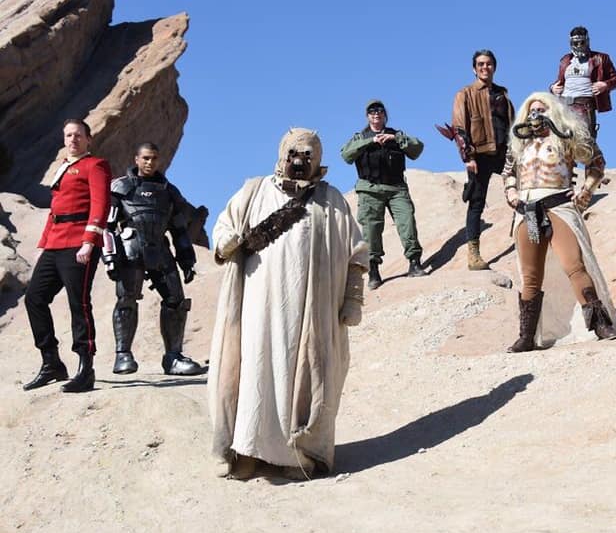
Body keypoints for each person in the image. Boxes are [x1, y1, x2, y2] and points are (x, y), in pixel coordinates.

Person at [209, 128, 368, 481]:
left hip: (311, 311)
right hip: (258, 307)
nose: (299, 161)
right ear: (282, 154)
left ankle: (295, 456)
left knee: (303, 375)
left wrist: (352, 298)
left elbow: (357, 252)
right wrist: (226, 242)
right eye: (294, 154)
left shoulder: (332, 201)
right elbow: (222, 227)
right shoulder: (254, 192)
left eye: (308, 156)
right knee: (256, 369)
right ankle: (247, 452)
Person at [502, 92, 616, 353]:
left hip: (558, 205)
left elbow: (596, 162)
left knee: (574, 265)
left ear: (553, 110)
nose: (536, 114)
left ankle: (599, 323)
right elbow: (508, 172)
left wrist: (586, 190)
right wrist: (511, 193)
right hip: (527, 210)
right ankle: (527, 336)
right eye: (532, 109)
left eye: (542, 108)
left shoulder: (566, 136)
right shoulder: (519, 143)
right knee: (530, 277)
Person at [101, 142, 206, 376]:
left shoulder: (169, 191)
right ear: (136, 159)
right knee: (127, 299)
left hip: (160, 250)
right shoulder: (119, 188)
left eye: (154, 158)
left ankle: (173, 357)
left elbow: (179, 229)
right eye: (146, 158)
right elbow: (106, 226)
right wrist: (109, 257)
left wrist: (187, 259)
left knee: (176, 301)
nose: (150, 162)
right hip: (130, 251)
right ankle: (123, 354)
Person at [23, 119, 110, 393]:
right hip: (55, 244)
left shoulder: (94, 165)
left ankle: (86, 368)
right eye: (68, 135)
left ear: (88, 139)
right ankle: (51, 363)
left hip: (78, 243)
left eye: (78, 135)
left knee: (79, 304)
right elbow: (55, 210)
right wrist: (43, 245)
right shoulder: (64, 167)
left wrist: (89, 241)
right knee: (34, 298)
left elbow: (101, 204)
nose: (73, 139)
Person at [441, 50, 515, 270]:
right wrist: (467, 157)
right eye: (481, 64)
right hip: (479, 156)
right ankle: (473, 254)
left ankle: (527, 235)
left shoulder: (503, 94)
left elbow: (512, 125)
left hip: (504, 154)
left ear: (495, 67)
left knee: (521, 191)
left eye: (489, 64)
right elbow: (459, 127)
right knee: (476, 203)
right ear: (474, 68)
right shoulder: (465, 94)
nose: (485, 67)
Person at [341, 100, 426, 289]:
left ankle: (414, 263)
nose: (376, 114)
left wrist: (395, 139)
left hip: (396, 189)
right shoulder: (360, 137)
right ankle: (374, 271)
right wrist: (370, 141)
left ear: (385, 115)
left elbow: (417, 149)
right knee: (371, 231)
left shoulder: (396, 134)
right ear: (367, 116)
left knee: (407, 223)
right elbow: (346, 155)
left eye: (379, 111)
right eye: (372, 111)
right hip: (370, 190)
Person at [549, 25, 616, 137]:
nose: (579, 46)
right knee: (559, 139)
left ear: (587, 41)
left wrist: (605, 85)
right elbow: (559, 81)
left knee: (583, 141)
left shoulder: (600, 58)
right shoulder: (565, 60)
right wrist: (552, 88)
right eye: (575, 43)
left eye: (581, 42)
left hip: (584, 105)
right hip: (563, 104)